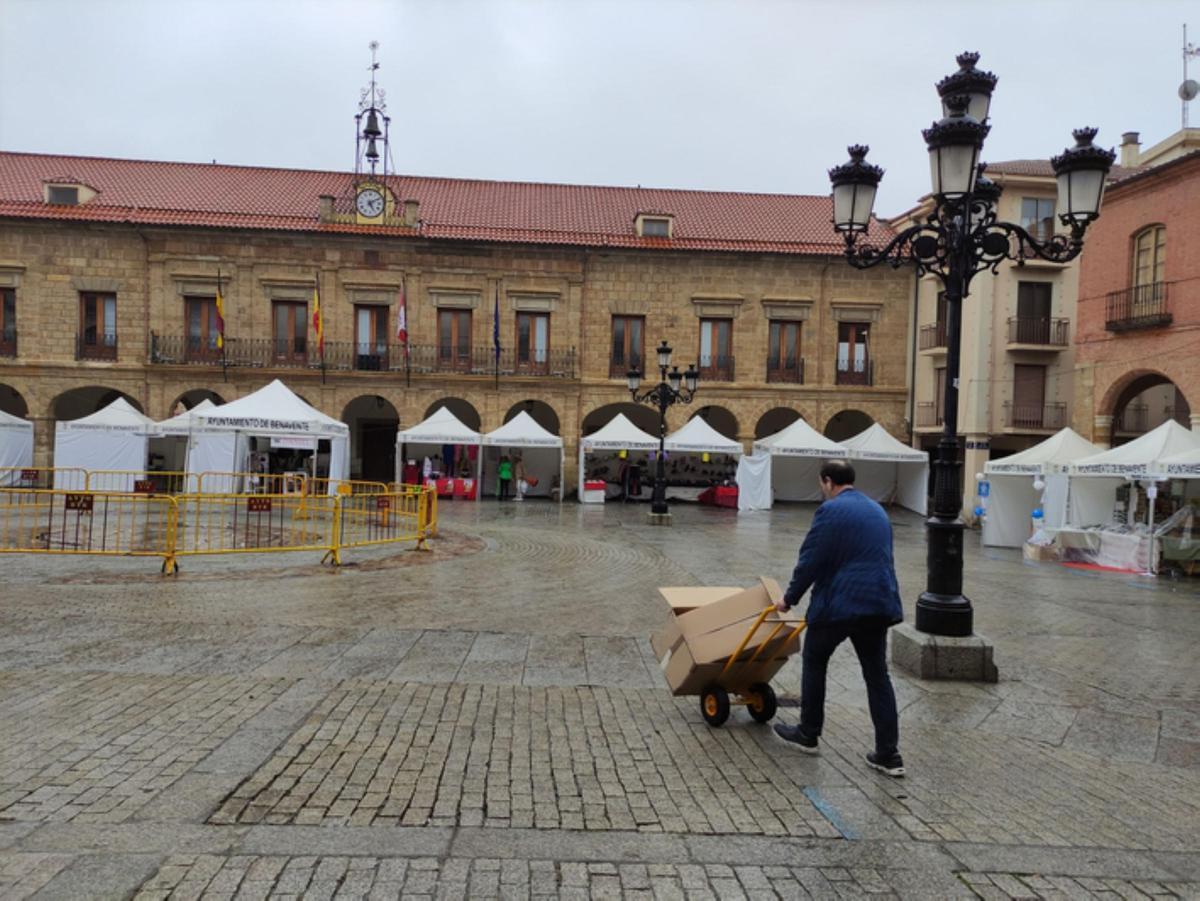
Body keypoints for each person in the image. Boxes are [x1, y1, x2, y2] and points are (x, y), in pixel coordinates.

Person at [772, 459, 906, 778]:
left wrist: (789, 598)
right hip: (878, 601)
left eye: (822, 485)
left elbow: (811, 560)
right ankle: (889, 754)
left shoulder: (830, 511)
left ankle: (808, 732)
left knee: (815, 659)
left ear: (828, 481)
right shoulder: (876, 509)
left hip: (842, 602)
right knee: (877, 675)